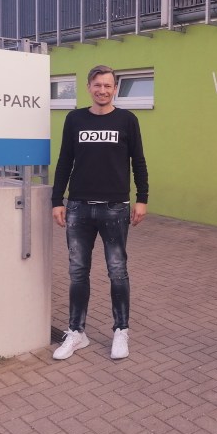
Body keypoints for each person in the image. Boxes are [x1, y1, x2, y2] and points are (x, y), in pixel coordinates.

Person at [51, 64, 149, 361]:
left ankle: (121, 330)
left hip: (115, 209)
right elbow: (64, 161)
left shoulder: (127, 120)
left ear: (115, 89)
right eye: (97, 85)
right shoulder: (74, 119)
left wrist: (142, 198)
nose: (102, 90)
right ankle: (76, 332)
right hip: (78, 207)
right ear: (88, 87)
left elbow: (138, 161)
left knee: (117, 271)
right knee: (78, 272)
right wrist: (57, 200)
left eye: (108, 86)